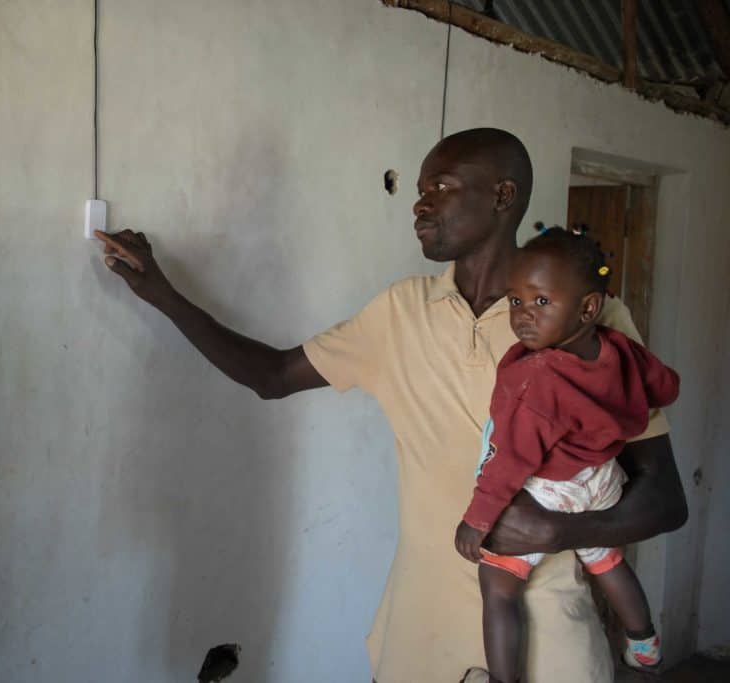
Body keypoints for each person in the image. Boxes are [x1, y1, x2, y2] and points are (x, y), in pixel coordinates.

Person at [96, 128, 688, 682]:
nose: (420, 205)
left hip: (549, 646)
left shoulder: (592, 328)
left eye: (442, 187)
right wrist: (161, 294)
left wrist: (563, 528)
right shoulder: (401, 312)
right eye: (420, 190)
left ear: (503, 196)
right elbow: (271, 376)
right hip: (416, 640)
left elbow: (665, 499)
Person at [453, 227, 680, 683]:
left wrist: (477, 520)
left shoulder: (535, 379)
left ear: (588, 307)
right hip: (602, 479)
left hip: (555, 488)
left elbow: (509, 459)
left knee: (498, 585)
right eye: (516, 300)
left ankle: (502, 679)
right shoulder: (617, 347)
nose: (523, 315)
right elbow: (666, 386)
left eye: (541, 301)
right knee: (606, 560)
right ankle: (644, 644)